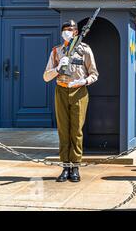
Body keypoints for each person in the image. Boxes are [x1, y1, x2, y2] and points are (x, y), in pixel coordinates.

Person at [43, 20, 99, 182]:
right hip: (61, 90)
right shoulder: (56, 51)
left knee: (76, 131)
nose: (67, 32)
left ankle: (75, 166)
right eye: (65, 29)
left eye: (71, 29)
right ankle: (65, 167)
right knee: (63, 130)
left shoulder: (85, 50)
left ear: (76, 32)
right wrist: (57, 68)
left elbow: (94, 74)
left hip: (79, 92)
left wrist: (82, 82)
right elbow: (46, 77)